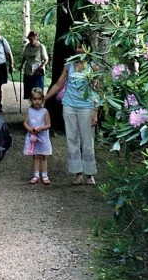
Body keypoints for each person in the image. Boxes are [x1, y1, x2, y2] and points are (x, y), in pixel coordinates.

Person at [45, 44, 98, 185]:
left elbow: (97, 91)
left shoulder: (93, 66)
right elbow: (58, 84)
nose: (79, 50)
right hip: (69, 106)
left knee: (87, 141)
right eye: (78, 47)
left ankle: (90, 174)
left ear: (88, 49)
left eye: (82, 47)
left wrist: (95, 112)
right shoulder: (68, 65)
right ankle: (77, 174)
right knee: (72, 140)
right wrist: (44, 99)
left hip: (86, 107)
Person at [23, 88, 52, 184]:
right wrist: (30, 129)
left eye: (39, 99)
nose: (37, 101)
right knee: (35, 156)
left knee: (43, 156)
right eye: (35, 99)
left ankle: (44, 175)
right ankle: (36, 175)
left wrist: (41, 128)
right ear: (31, 100)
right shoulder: (29, 111)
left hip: (42, 137)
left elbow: (48, 124)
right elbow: (25, 122)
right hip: (33, 137)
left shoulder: (45, 111)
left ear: (42, 100)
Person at [20, 31, 49, 97]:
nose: (30, 41)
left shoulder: (41, 46)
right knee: (29, 93)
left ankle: (38, 103)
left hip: (37, 73)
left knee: (37, 93)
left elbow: (46, 60)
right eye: (29, 39)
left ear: (36, 38)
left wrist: (41, 67)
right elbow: (24, 57)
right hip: (27, 72)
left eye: (31, 39)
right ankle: (30, 103)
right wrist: (21, 65)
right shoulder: (27, 46)